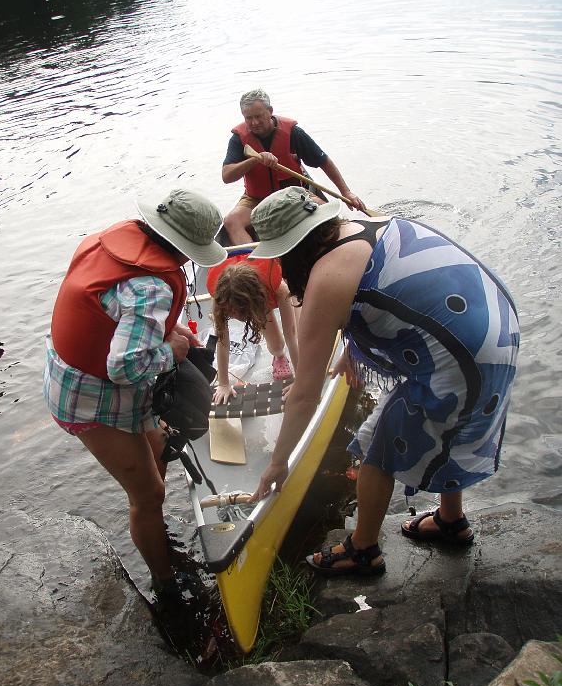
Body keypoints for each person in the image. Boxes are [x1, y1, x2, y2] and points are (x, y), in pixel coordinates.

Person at [249, 187, 519, 576]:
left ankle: (363, 550)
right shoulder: (367, 225)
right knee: (440, 431)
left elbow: (305, 395)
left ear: (289, 250)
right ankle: (450, 521)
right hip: (496, 329)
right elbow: (393, 295)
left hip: (464, 357)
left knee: (377, 444)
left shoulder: (326, 277)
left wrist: (278, 464)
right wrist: (351, 352)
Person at [43, 189, 226, 596]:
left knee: (158, 447)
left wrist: (170, 330)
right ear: (187, 249)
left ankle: (155, 527)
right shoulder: (151, 287)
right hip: (89, 397)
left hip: (79, 371)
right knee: (149, 493)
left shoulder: (106, 240)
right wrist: (173, 351)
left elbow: (115, 312)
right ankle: (166, 582)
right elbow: (124, 367)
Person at [221, 88, 366, 244]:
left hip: (294, 196)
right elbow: (227, 176)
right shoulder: (238, 139)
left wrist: (346, 192)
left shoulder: (293, 133)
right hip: (257, 199)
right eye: (249, 118)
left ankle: (345, 244)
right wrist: (254, 160)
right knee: (231, 221)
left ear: (270, 111)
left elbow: (323, 161)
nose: (254, 122)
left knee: (329, 214)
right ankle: (256, 259)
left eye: (258, 116)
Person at [206, 252, 298, 402]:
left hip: (266, 298)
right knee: (277, 347)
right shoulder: (221, 298)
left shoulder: (280, 290)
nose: (237, 317)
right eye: (232, 312)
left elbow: (291, 335)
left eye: (241, 313)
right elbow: (222, 340)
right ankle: (279, 356)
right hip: (252, 301)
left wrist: (300, 380)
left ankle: (284, 358)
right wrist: (223, 383)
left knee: (294, 338)